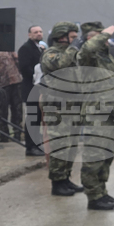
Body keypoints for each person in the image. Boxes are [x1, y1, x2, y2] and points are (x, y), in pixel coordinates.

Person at [76, 22, 114, 211]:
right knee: (94, 155)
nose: (107, 41)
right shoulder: (86, 56)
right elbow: (88, 48)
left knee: (106, 155)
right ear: (90, 38)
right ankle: (93, 196)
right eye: (101, 37)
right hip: (96, 114)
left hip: (111, 113)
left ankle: (102, 192)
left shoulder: (105, 57)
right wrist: (104, 34)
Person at [40, 22, 85, 198]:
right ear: (61, 37)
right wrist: (74, 48)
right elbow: (61, 64)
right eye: (72, 37)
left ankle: (66, 178)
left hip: (73, 103)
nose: (76, 40)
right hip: (57, 105)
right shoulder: (50, 54)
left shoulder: (73, 55)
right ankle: (57, 182)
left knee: (71, 144)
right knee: (60, 144)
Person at [18, 25, 46, 156]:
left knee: (38, 118)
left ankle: (37, 144)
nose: (39, 34)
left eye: (40, 32)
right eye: (35, 32)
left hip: (40, 88)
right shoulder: (25, 48)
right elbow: (24, 68)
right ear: (29, 34)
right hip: (31, 88)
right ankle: (30, 147)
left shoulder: (41, 48)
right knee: (33, 118)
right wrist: (38, 78)